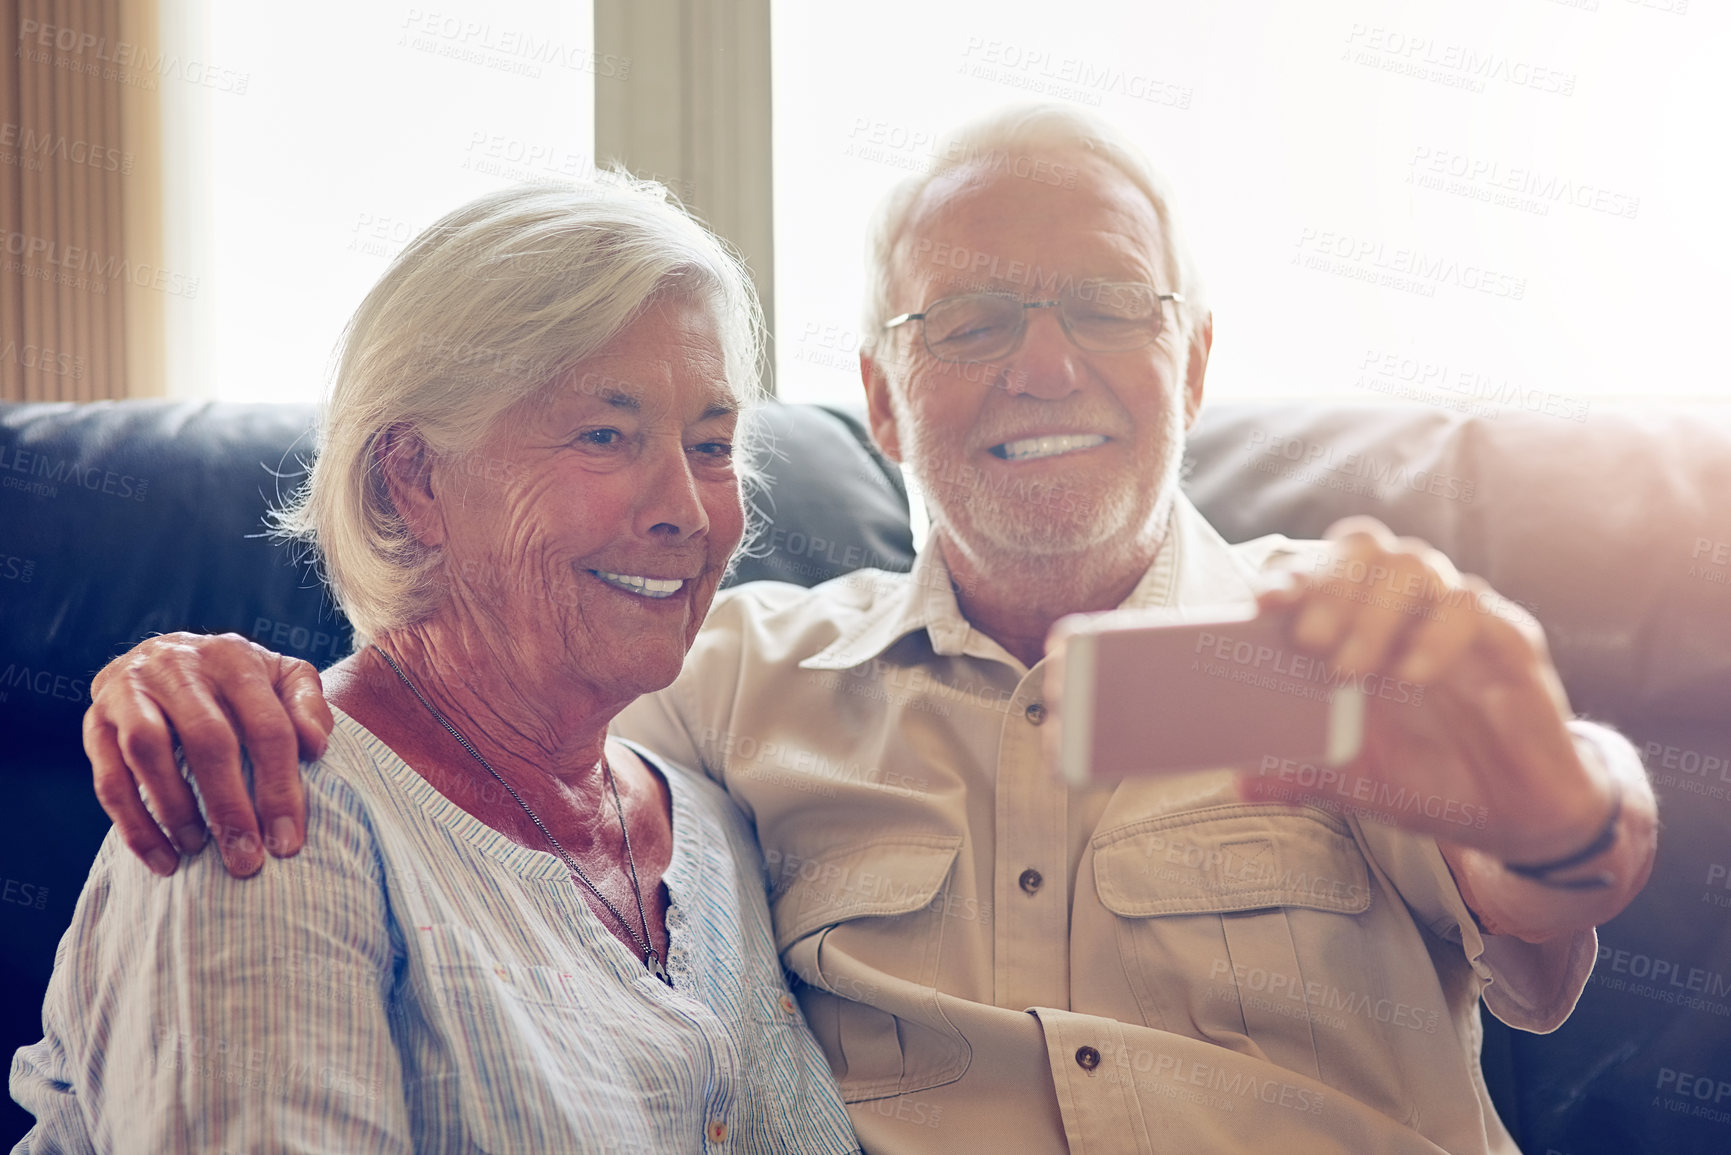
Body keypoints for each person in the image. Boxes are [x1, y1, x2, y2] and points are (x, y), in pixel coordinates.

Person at [76, 106, 1657, 1154]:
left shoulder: (1303, 650)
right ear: (883, 394)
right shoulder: (740, 683)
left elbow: (1545, 853)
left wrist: (1565, 798)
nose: (1043, 363)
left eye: (1107, 304)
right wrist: (198, 670)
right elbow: (469, 702)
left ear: (1189, 365)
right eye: (968, 321)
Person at [11, 178, 860, 1153]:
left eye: (712, 445)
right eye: (604, 435)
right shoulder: (266, 811)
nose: (688, 508)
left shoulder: (710, 826)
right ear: (413, 479)